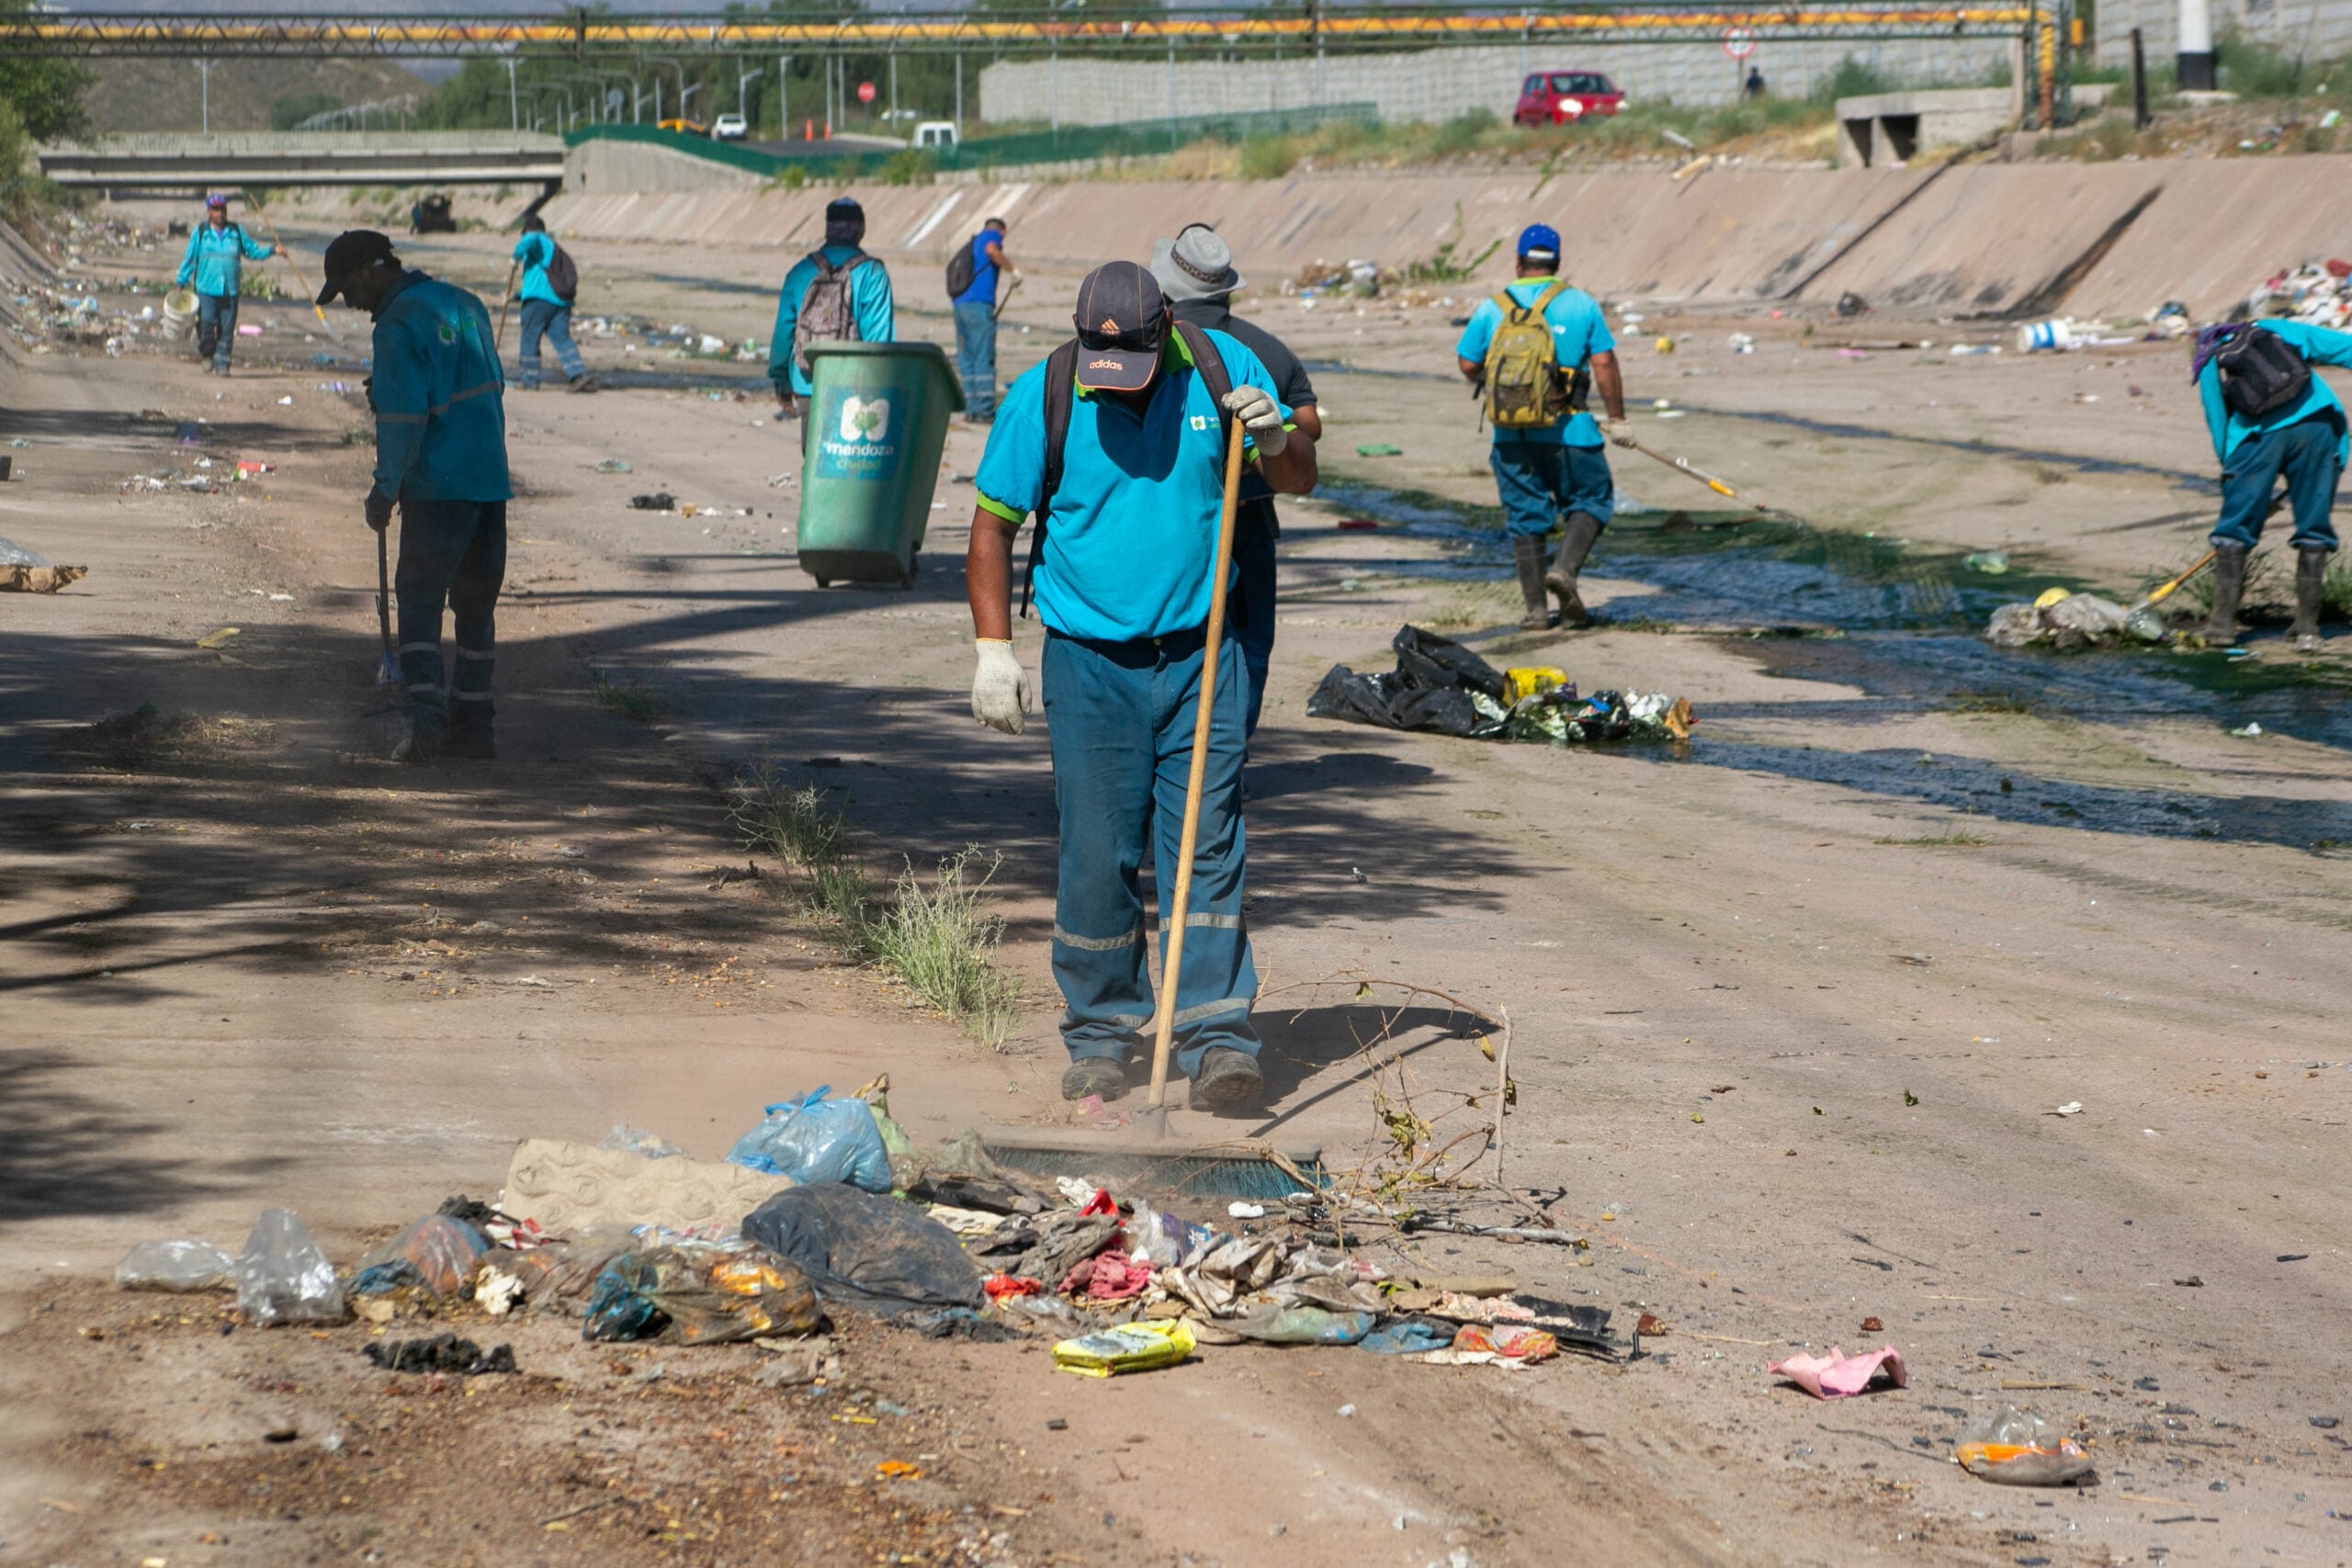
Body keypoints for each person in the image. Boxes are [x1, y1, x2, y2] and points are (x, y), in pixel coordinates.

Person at [965, 261, 1317, 1109]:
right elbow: (991, 527)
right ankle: (1100, 1033)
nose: (1117, 388)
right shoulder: (1046, 392)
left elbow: (1300, 475)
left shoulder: (1226, 368)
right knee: (1097, 850)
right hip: (1089, 665)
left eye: (1134, 368)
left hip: (1203, 652)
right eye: (1102, 367)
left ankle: (1216, 1034)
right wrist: (992, 650)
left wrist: (1274, 439)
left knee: (1207, 841)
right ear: (1085, 339)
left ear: (1164, 327)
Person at [317, 230, 513, 764]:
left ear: (369, 272)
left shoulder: (398, 324)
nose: (352, 304)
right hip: (489, 480)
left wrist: (384, 491)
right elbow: (482, 386)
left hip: (439, 485)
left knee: (420, 602)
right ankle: (475, 731)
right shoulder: (464, 303)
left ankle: (427, 726)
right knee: (475, 608)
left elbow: (404, 419)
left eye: (347, 288)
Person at [1149, 222, 1321, 738]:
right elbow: (1309, 425)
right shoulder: (1264, 348)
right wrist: (1265, 440)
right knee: (1247, 645)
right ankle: (1230, 754)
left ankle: (1181, 760)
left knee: (1169, 644)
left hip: (1169, 522)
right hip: (1247, 522)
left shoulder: (1153, 345)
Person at [1454, 223, 1630, 631]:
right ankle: (1565, 571)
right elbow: (1603, 364)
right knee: (1591, 499)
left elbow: (1466, 363)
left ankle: (1536, 612)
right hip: (1572, 430)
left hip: (1511, 435)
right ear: (1558, 262)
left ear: (1518, 262)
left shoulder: (1492, 307)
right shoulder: (1581, 304)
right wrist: (1618, 419)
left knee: (1525, 516)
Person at [2192, 319, 2350, 651]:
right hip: (2319, 427)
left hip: (2256, 438)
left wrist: (2236, 475)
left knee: (2234, 532)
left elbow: (2216, 415)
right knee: (2313, 527)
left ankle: (2221, 627)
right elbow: (2344, 348)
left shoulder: (2208, 350)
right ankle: (2307, 629)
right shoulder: (2274, 327)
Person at [768, 197, 894, 420]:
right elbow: (879, 339)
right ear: (861, 230)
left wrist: (780, 379)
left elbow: (783, 332)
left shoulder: (800, 272)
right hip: (856, 386)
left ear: (827, 229)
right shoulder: (873, 273)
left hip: (807, 382)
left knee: (813, 454)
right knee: (852, 454)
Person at [175, 193, 273, 376]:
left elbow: (253, 251)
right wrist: (181, 282)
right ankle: (207, 355)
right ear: (209, 212)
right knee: (206, 322)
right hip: (206, 289)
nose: (220, 213)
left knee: (226, 330)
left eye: (223, 209)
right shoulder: (201, 233)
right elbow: (189, 259)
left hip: (230, 290)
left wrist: (272, 250)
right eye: (216, 210)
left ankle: (222, 365)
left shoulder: (235, 231)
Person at [511, 215, 593, 392]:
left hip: (539, 302)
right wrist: (518, 295)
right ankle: (578, 375)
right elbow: (542, 279)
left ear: (526, 231)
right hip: (560, 301)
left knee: (529, 339)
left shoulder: (537, 239)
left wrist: (515, 256)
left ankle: (529, 381)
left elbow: (531, 238)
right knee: (561, 338)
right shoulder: (551, 248)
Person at [953, 217, 1015, 423]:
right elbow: (992, 251)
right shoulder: (991, 236)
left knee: (967, 358)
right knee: (983, 356)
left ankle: (971, 409)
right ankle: (985, 411)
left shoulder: (974, 241)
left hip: (960, 306)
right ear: (1003, 232)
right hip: (979, 307)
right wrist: (1012, 270)